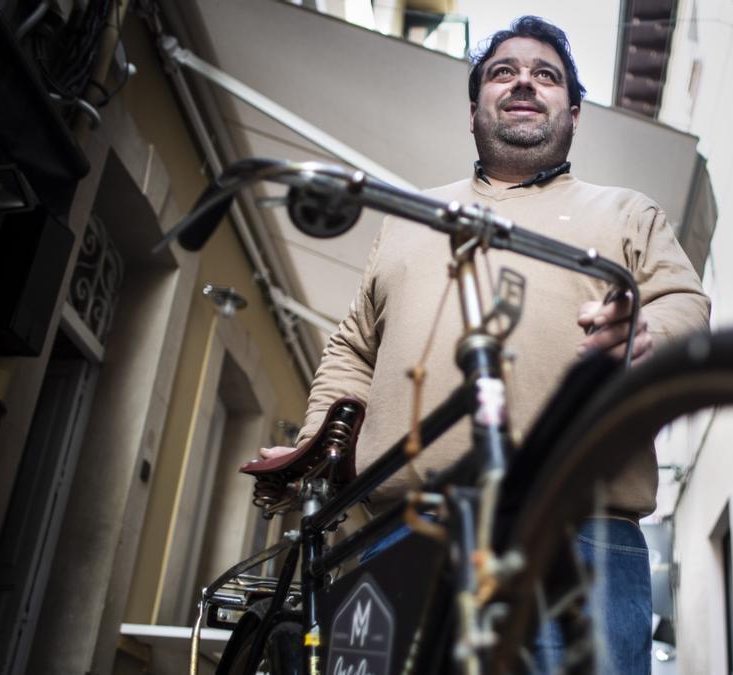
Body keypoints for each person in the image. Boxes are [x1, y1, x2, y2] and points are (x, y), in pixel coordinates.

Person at [260, 16, 709, 673]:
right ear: (473, 110)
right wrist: (314, 439)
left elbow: (684, 305)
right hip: (395, 535)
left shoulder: (626, 212)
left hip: (578, 533)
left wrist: (647, 332)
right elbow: (355, 347)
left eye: (546, 75)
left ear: (574, 114)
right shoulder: (409, 216)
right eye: (504, 71)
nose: (524, 80)